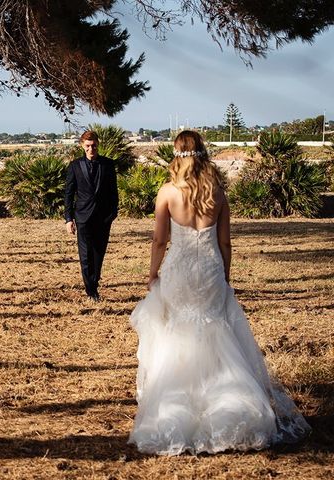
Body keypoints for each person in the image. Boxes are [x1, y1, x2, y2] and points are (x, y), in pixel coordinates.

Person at [128, 130, 310, 455]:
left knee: (178, 332)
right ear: (202, 153)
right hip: (210, 271)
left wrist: (153, 272)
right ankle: (232, 407)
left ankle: (176, 408)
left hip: (180, 272)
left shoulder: (168, 192)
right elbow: (225, 243)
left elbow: (159, 240)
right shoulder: (218, 192)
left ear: (176, 154)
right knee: (216, 331)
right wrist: (224, 276)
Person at [64, 130, 118, 301]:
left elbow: (113, 192)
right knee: (86, 254)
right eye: (87, 146)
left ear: (98, 145)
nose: (91, 149)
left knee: (98, 253)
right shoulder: (74, 166)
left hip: (103, 218)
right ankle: (91, 290)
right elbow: (68, 194)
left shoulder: (108, 165)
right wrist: (68, 219)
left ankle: (94, 282)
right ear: (82, 146)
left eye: (93, 145)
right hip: (82, 217)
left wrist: (112, 213)